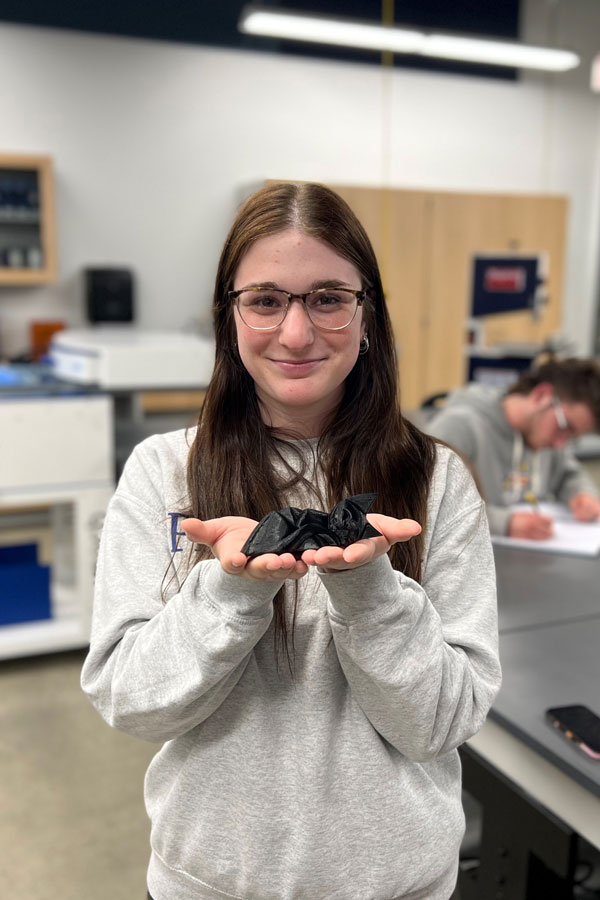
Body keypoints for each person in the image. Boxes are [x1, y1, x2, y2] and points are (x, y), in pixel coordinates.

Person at [80, 181, 501, 900]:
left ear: (366, 313)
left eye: (329, 298)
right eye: (267, 300)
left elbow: (442, 724)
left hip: (397, 886)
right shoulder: (164, 474)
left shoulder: (437, 481)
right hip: (208, 883)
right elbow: (132, 701)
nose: (297, 334)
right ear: (230, 316)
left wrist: (368, 591)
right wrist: (232, 590)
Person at [425, 357, 600, 539]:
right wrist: (503, 523)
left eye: (573, 437)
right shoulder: (460, 425)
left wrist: (583, 495)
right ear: (542, 395)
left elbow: (570, 474)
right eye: (565, 428)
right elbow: (428, 499)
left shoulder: (549, 438)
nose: (560, 444)